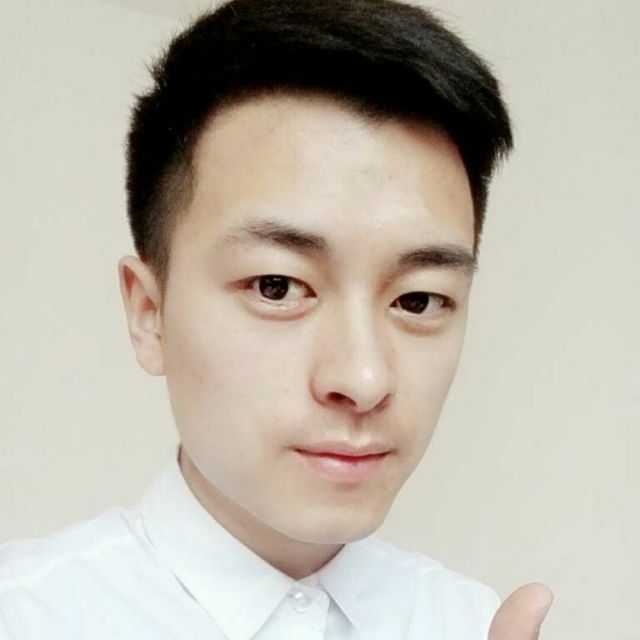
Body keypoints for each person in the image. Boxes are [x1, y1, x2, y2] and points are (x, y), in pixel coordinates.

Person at [0, 0, 553, 637]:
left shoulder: (471, 623)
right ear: (150, 312)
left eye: (418, 301)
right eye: (277, 286)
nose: (364, 379)